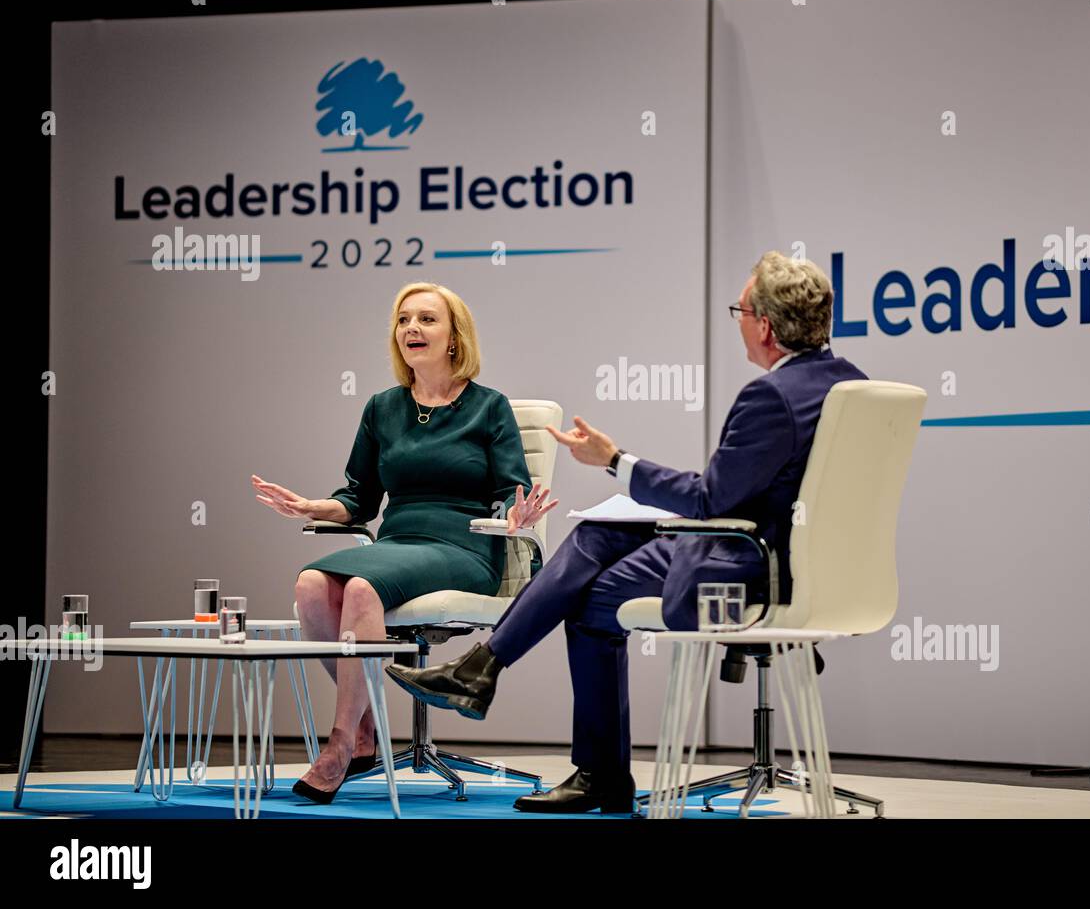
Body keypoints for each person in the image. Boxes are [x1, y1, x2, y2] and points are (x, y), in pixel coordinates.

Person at [386, 251, 867, 813]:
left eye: (740, 309)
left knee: (590, 598)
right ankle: (482, 672)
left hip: (746, 563)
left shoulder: (771, 397)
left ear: (763, 325)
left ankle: (579, 755)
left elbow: (710, 499)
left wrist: (616, 461)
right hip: (803, 562)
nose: (738, 320)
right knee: (598, 536)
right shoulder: (849, 384)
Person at [251, 282, 556, 804]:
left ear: (454, 337)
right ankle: (367, 728)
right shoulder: (382, 408)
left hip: (464, 547)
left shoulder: (489, 408)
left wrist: (514, 515)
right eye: (403, 320)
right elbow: (357, 498)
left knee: (363, 589)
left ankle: (342, 743)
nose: (412, 328)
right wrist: (311, 506)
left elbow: (510, 491)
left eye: (427, 320)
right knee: (310, 585)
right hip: (396, 541)